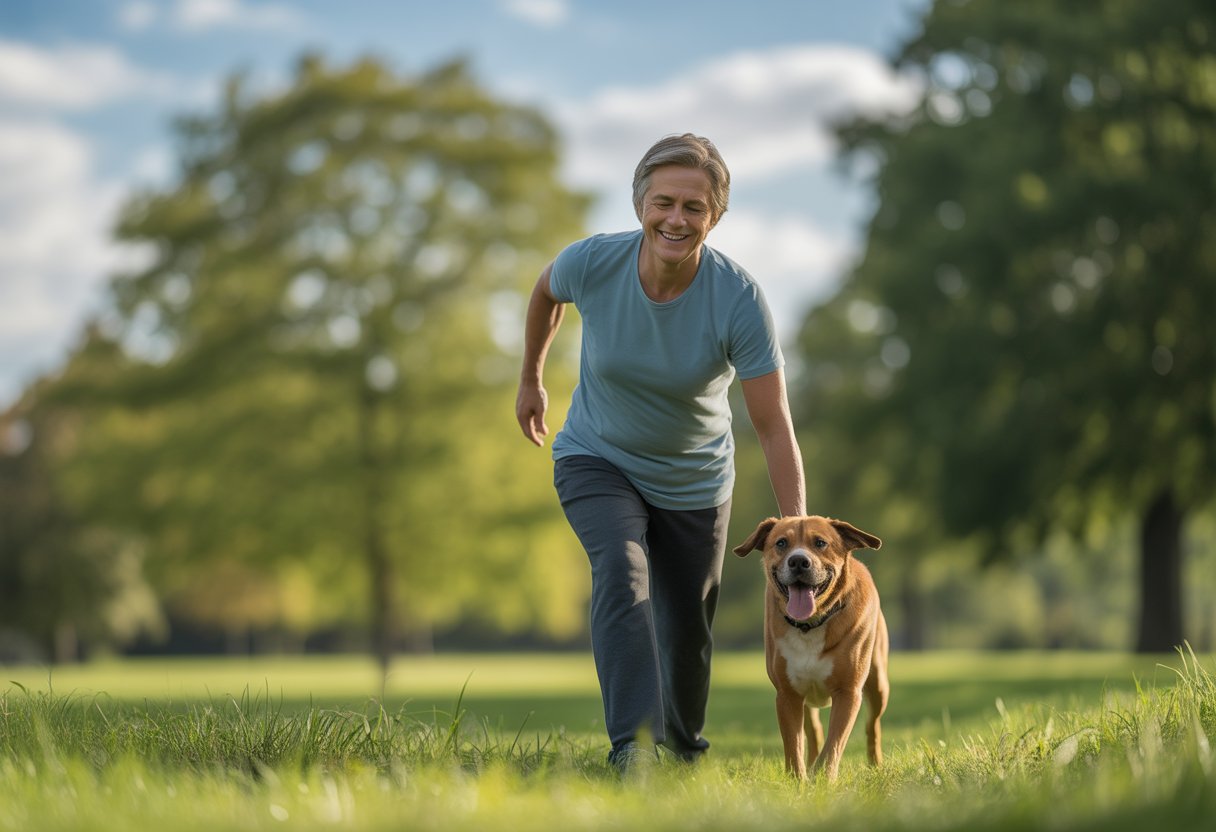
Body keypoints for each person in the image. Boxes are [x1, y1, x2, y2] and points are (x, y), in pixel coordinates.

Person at [515, 133, 806, 773]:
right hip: (598, 455)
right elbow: (545, 292)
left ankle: (682, 748)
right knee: (620, 572)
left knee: (686, 637)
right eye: (664, 202)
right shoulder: (594, 262)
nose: (676, 219)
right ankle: (632, 751)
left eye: (694, 208)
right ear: (641, 204)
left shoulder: (737, 299)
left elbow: (773, 423)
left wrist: (797, 530)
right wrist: (532, 378)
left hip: (695, 481)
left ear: (715, 216)